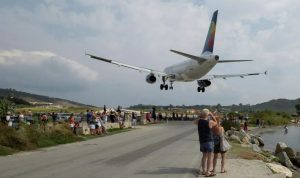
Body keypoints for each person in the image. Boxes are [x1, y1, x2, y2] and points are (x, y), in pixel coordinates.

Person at [195, 109, 217, 177]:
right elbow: (216, 123)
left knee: (204, 156)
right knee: (210, 157)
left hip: (202, 141)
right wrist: (212, 115)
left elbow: (199, 118)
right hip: (209, 141)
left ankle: (204, 170)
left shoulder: (199, 121)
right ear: (208, 115)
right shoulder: (209, 122)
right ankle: (208, 172)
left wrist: (202, 114)